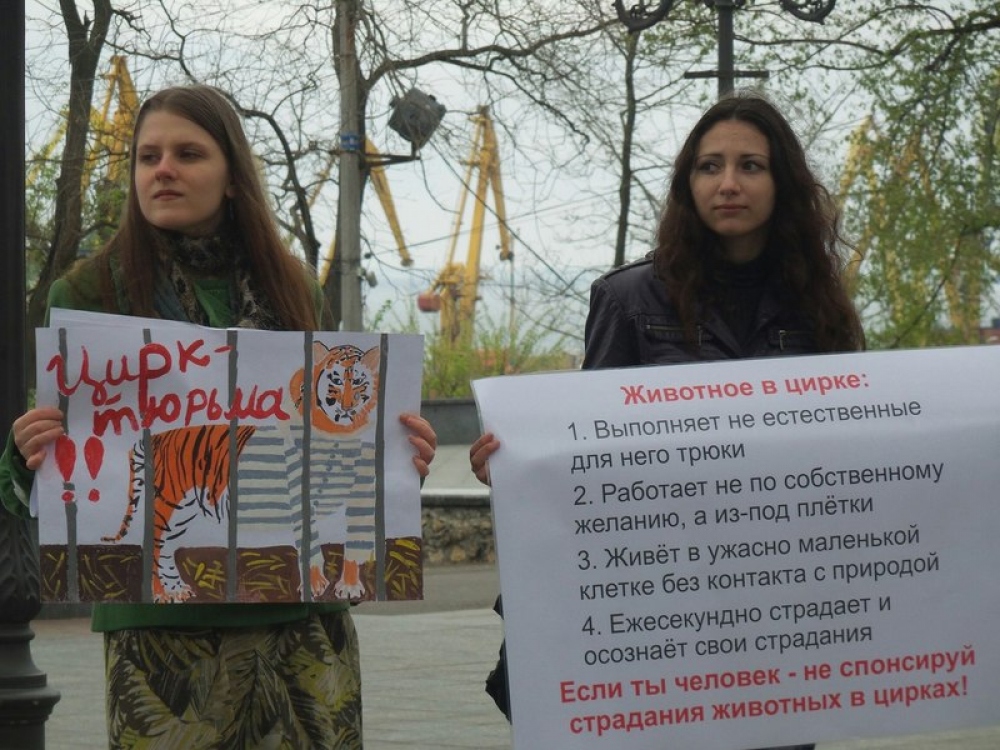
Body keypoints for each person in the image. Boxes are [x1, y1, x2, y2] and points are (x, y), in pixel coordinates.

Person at [0, 84, 437, 749]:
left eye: (188, 154)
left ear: (233, 176)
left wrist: (397, 459)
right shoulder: (87, 293)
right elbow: (44, 485)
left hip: (301, 623)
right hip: (164, 640)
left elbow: (334, 441)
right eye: (148, 157)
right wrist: (24, 455)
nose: (163, 170)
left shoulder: (294, 284)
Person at [470, 90, 864, 750]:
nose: (728, 183)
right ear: (688, 184)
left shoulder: (819, 305)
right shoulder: (628, 300)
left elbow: (855, 450)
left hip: (778, 608)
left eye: (750, 166)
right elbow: (587, 454)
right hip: (662, 603)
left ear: (783, 183)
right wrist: (517, 467)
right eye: (710, 166)